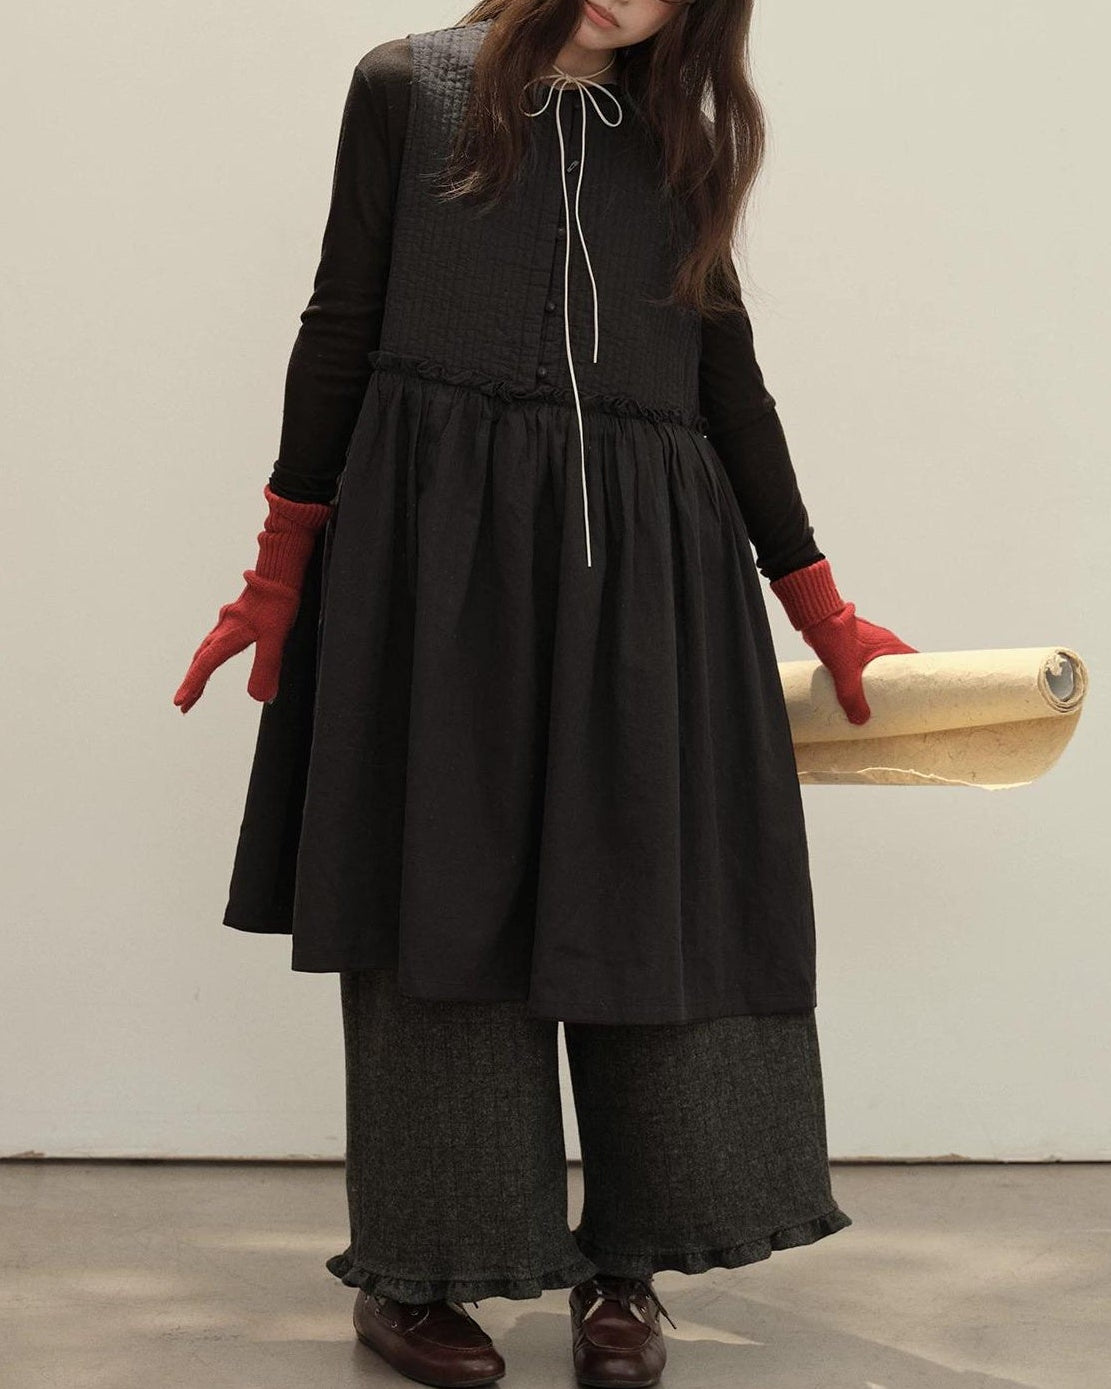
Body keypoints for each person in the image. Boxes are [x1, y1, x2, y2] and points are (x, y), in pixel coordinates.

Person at [174, 3, 915, 1385]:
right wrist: (278, 570)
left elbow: (728, 379)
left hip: (649, 568)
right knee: (442, 893)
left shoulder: (683, 139)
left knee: (644, 895)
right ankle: (422, 1270)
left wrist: (818, 603)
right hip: (438, 554)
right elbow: (339, 325)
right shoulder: (409, 88)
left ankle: (627, 1266)